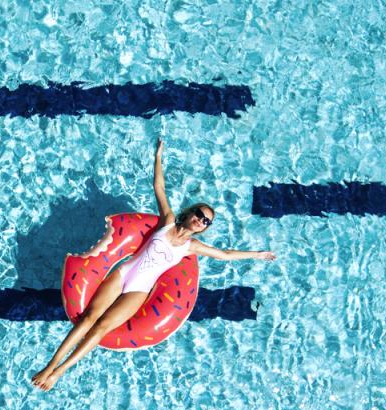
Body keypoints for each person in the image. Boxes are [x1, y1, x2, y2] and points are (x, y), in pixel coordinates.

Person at [31, 138, 276, 391]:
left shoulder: (191, 247)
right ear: (190, 213)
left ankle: (60, 372)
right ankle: (49, 366)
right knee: (88, 318)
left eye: (206, 222)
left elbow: (225, 254)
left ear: (204, 229)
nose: (201, 221)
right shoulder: (168, 221)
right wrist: (158, 156)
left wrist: (257, 254)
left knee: (101, 328)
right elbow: (159, 186)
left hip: (139, 290)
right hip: (123, 273)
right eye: (200, 215)